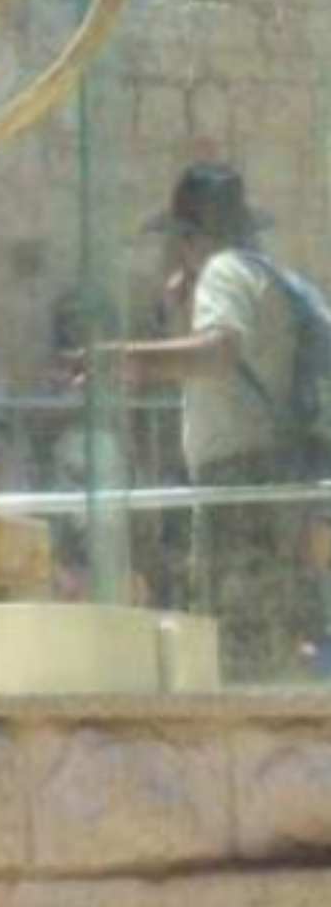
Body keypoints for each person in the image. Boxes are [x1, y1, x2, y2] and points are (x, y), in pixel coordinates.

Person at [83, 161, 298, 680]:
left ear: (189, 237)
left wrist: (126, 358)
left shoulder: (224, 272)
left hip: (238, 479)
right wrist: (180, 311)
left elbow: (218, 354)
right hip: (264, 472)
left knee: (236, 643)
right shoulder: (262, 273)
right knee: (260, 633)